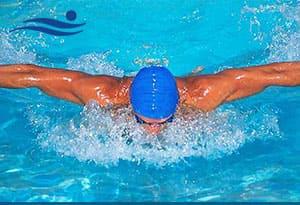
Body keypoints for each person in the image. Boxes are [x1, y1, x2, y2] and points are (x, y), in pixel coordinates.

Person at [0, 62, 299, 134]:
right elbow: (31, 75)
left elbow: (273, 74)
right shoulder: (101, 93)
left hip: (191, 84)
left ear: (177, 107)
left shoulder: (204, 94)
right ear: (130, 105)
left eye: (163, 122)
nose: (153, 132)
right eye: (143, 121)